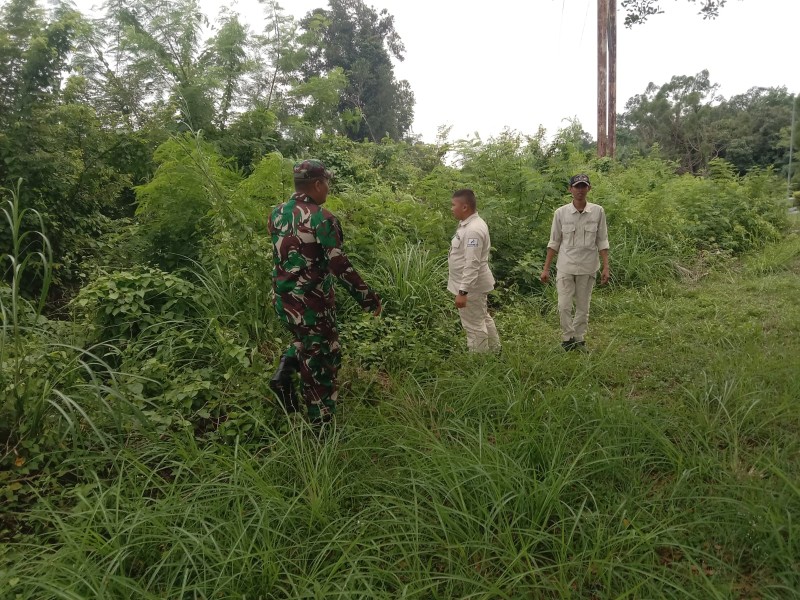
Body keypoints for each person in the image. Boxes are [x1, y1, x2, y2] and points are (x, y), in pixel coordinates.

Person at [268, 159, 381, 428]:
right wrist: (368, 298)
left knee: (305, 342)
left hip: (283, 301)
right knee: (322, 362)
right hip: (311, 305)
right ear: (318, 184)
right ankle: (321, 427)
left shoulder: (276, 214)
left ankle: (284, 374)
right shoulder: (322, 218)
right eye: (327, 183)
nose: (328, 189)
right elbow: (338, 264)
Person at [540, 174, 610, 351]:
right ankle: (567, 338)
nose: (580, 190)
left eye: (583, 186)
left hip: (588, 267)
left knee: (583, 306)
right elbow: (554, 242)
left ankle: (578, 338)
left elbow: (602, 240)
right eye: (576, 186)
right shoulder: (561, 213)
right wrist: (546, 269)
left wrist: (606, 266)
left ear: (589, 188)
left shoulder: (598, 211)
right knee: (563, 305)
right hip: (565, 266)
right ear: (570, 189)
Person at [447, 188, 500, 352]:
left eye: (453, 205)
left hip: (471, 287)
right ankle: (495, 351)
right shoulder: (468, 225)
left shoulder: (473, 230)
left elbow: (472, 263)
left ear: (465, 207)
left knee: (473, 325)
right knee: (482, 317)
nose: (451, 208)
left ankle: (479, 361)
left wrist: (463, 292)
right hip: (470, 285)